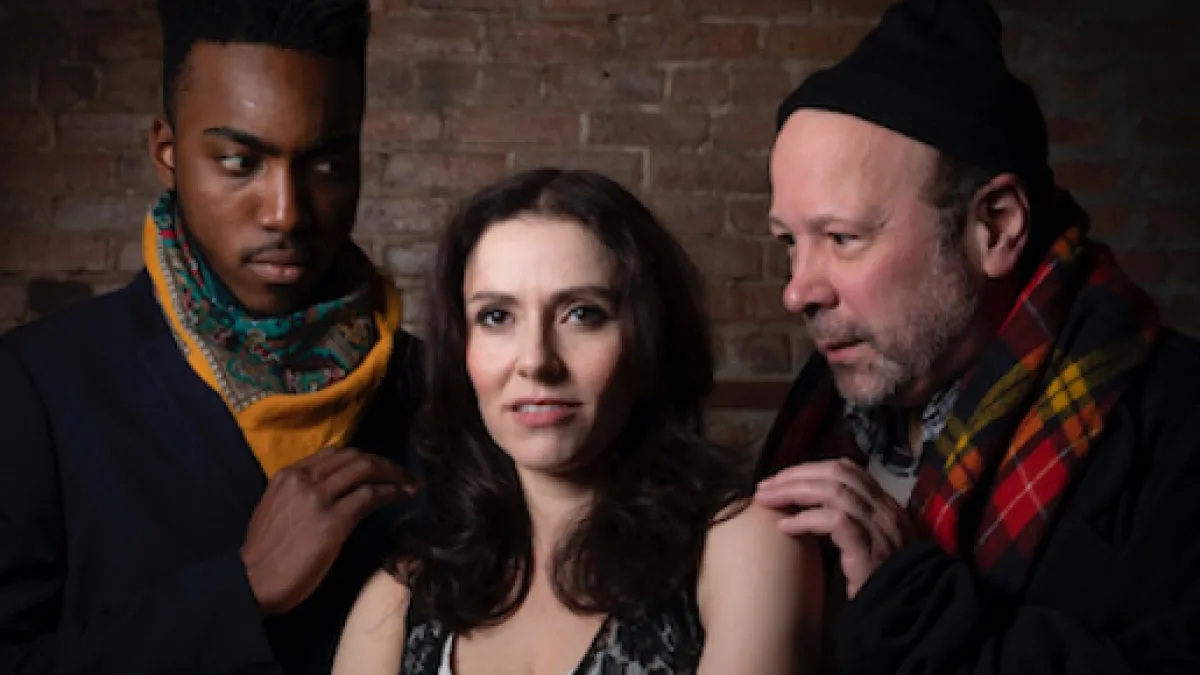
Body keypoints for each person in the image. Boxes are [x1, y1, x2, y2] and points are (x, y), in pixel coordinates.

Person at [752, 0, 1200, 673]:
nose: (798, 291)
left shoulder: (1180, 423)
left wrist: (914, 607)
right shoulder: (824, 403)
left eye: (842, 238)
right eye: (790, 241)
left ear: (995, 227)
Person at [0, 1, 424, 673]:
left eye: (326, 164)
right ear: (167, 153)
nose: (285, 212)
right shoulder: (39, 387)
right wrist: (240, 590)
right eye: (239, 162)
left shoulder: (437, 391)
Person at [332, 168, 824, 674]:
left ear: (649, 337)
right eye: (497, 317)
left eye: (582, 314)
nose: (536, 361)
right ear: (463, 349)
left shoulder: (743, 549)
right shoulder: (396, 603)